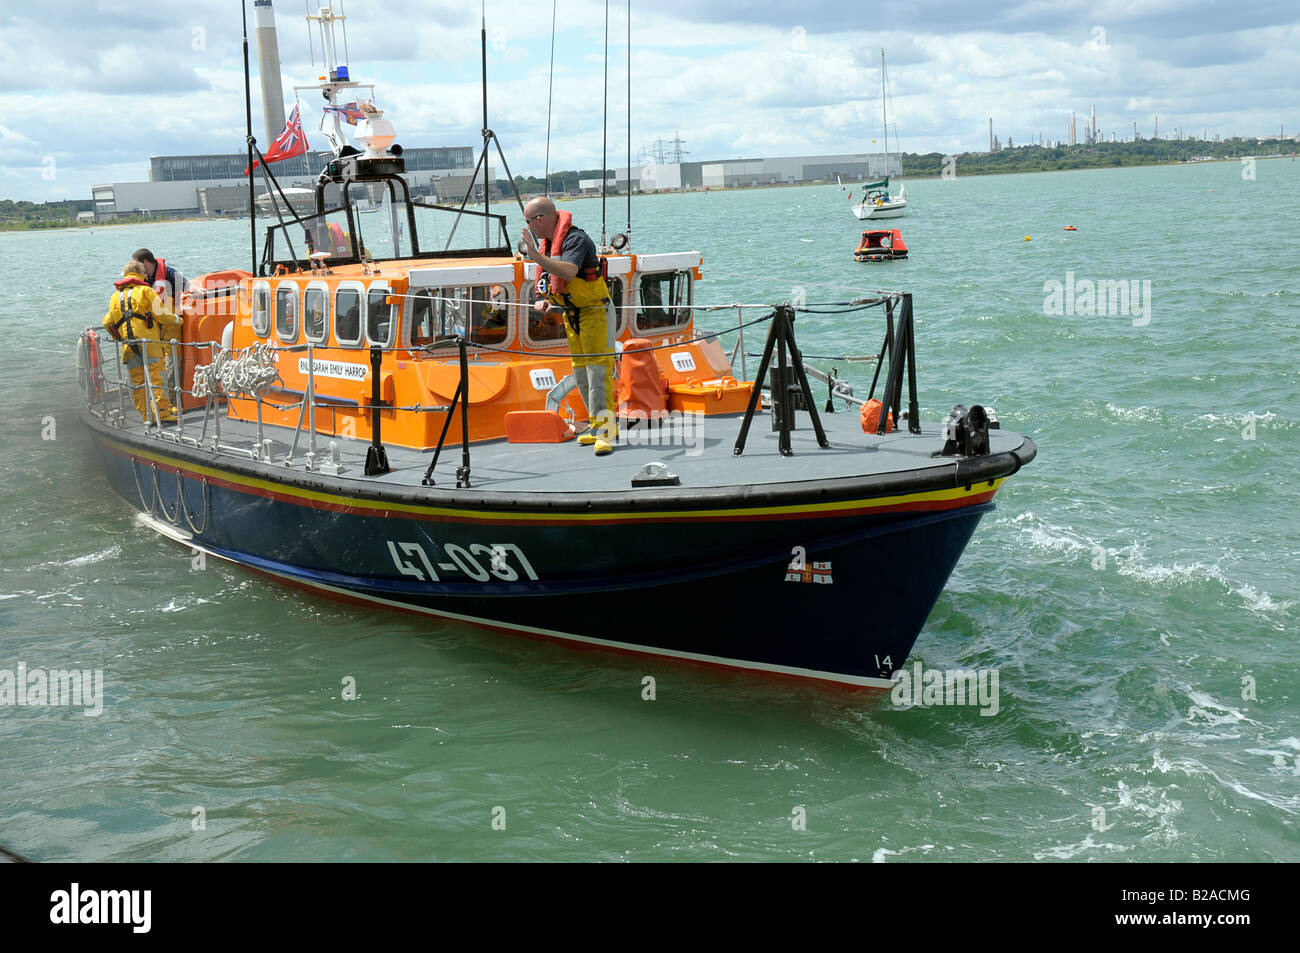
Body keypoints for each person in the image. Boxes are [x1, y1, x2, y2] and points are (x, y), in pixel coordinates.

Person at [520, 197, 617, 455]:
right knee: (582, 373)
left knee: (599, 372)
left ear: (539, 220)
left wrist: (535, 255)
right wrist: (542, 299)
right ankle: (596, 426)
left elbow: (569, 272)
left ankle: (606, 432)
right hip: (571, 314)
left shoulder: (576, 240)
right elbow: (548, 280)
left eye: (528, 221)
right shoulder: (549, 243)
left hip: (595, 311)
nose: (528, 226)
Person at [102, 260, 183, 423]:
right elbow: (162, 315)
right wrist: (178, 321)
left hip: (128, 347)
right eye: (145, 273)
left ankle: (147, 416)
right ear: (140, 273)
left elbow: (107, 323)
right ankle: (162, 413)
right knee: (157, 378)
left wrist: (118, 337)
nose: (147, 275)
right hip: (149, 344)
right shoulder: (146, 291)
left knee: (138, 383)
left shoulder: (115, 296)